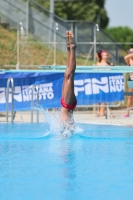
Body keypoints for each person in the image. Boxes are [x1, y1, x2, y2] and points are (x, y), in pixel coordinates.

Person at [60, 31, 77, 130]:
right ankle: (73, 48)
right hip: (68, 105)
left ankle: (69, 49)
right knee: (69, 75)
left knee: (66, 75)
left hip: (65, 104)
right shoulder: (69, 129)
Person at [96, 49, 114, 117]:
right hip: (101, 82)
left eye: (106, 55)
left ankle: (109, 111)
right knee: (100, 98)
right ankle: (99, 111)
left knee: (108, 98)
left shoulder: (110, 64)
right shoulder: (99, 64)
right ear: (102, 56)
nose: (106, 56)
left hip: (108, 82)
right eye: (104, 55)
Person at [123, 48, 133, 117]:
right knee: (130, 96)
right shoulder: (129, 60)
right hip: (131, 79)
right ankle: (127, 112)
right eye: (131, 52)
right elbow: (125, 57)